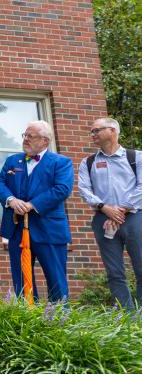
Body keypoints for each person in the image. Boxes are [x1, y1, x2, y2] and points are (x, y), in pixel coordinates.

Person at [0, 120, 73, 303]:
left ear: (45, 141)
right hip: (17, 229)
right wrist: (11, 200)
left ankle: (59, 321)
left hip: (49, 230)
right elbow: (0, 183)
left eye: (31, 136)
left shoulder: (61, 162)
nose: (26, 139)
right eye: (25, 135)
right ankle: (28, 320)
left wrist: (31, 205)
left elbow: (62, 189)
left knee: (56, 281)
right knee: (21, 281)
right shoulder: (13, 161)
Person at [77, 118, 141, 310]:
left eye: (97, 130)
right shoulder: (88, 162)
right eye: (92, 131)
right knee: (114, 272)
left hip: (135, 218)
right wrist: (105, 208)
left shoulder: (135, 157)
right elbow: (84, 190)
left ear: (112, 130)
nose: (93, 135)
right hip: (103, 219)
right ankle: (128, 318)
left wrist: (121, 209)